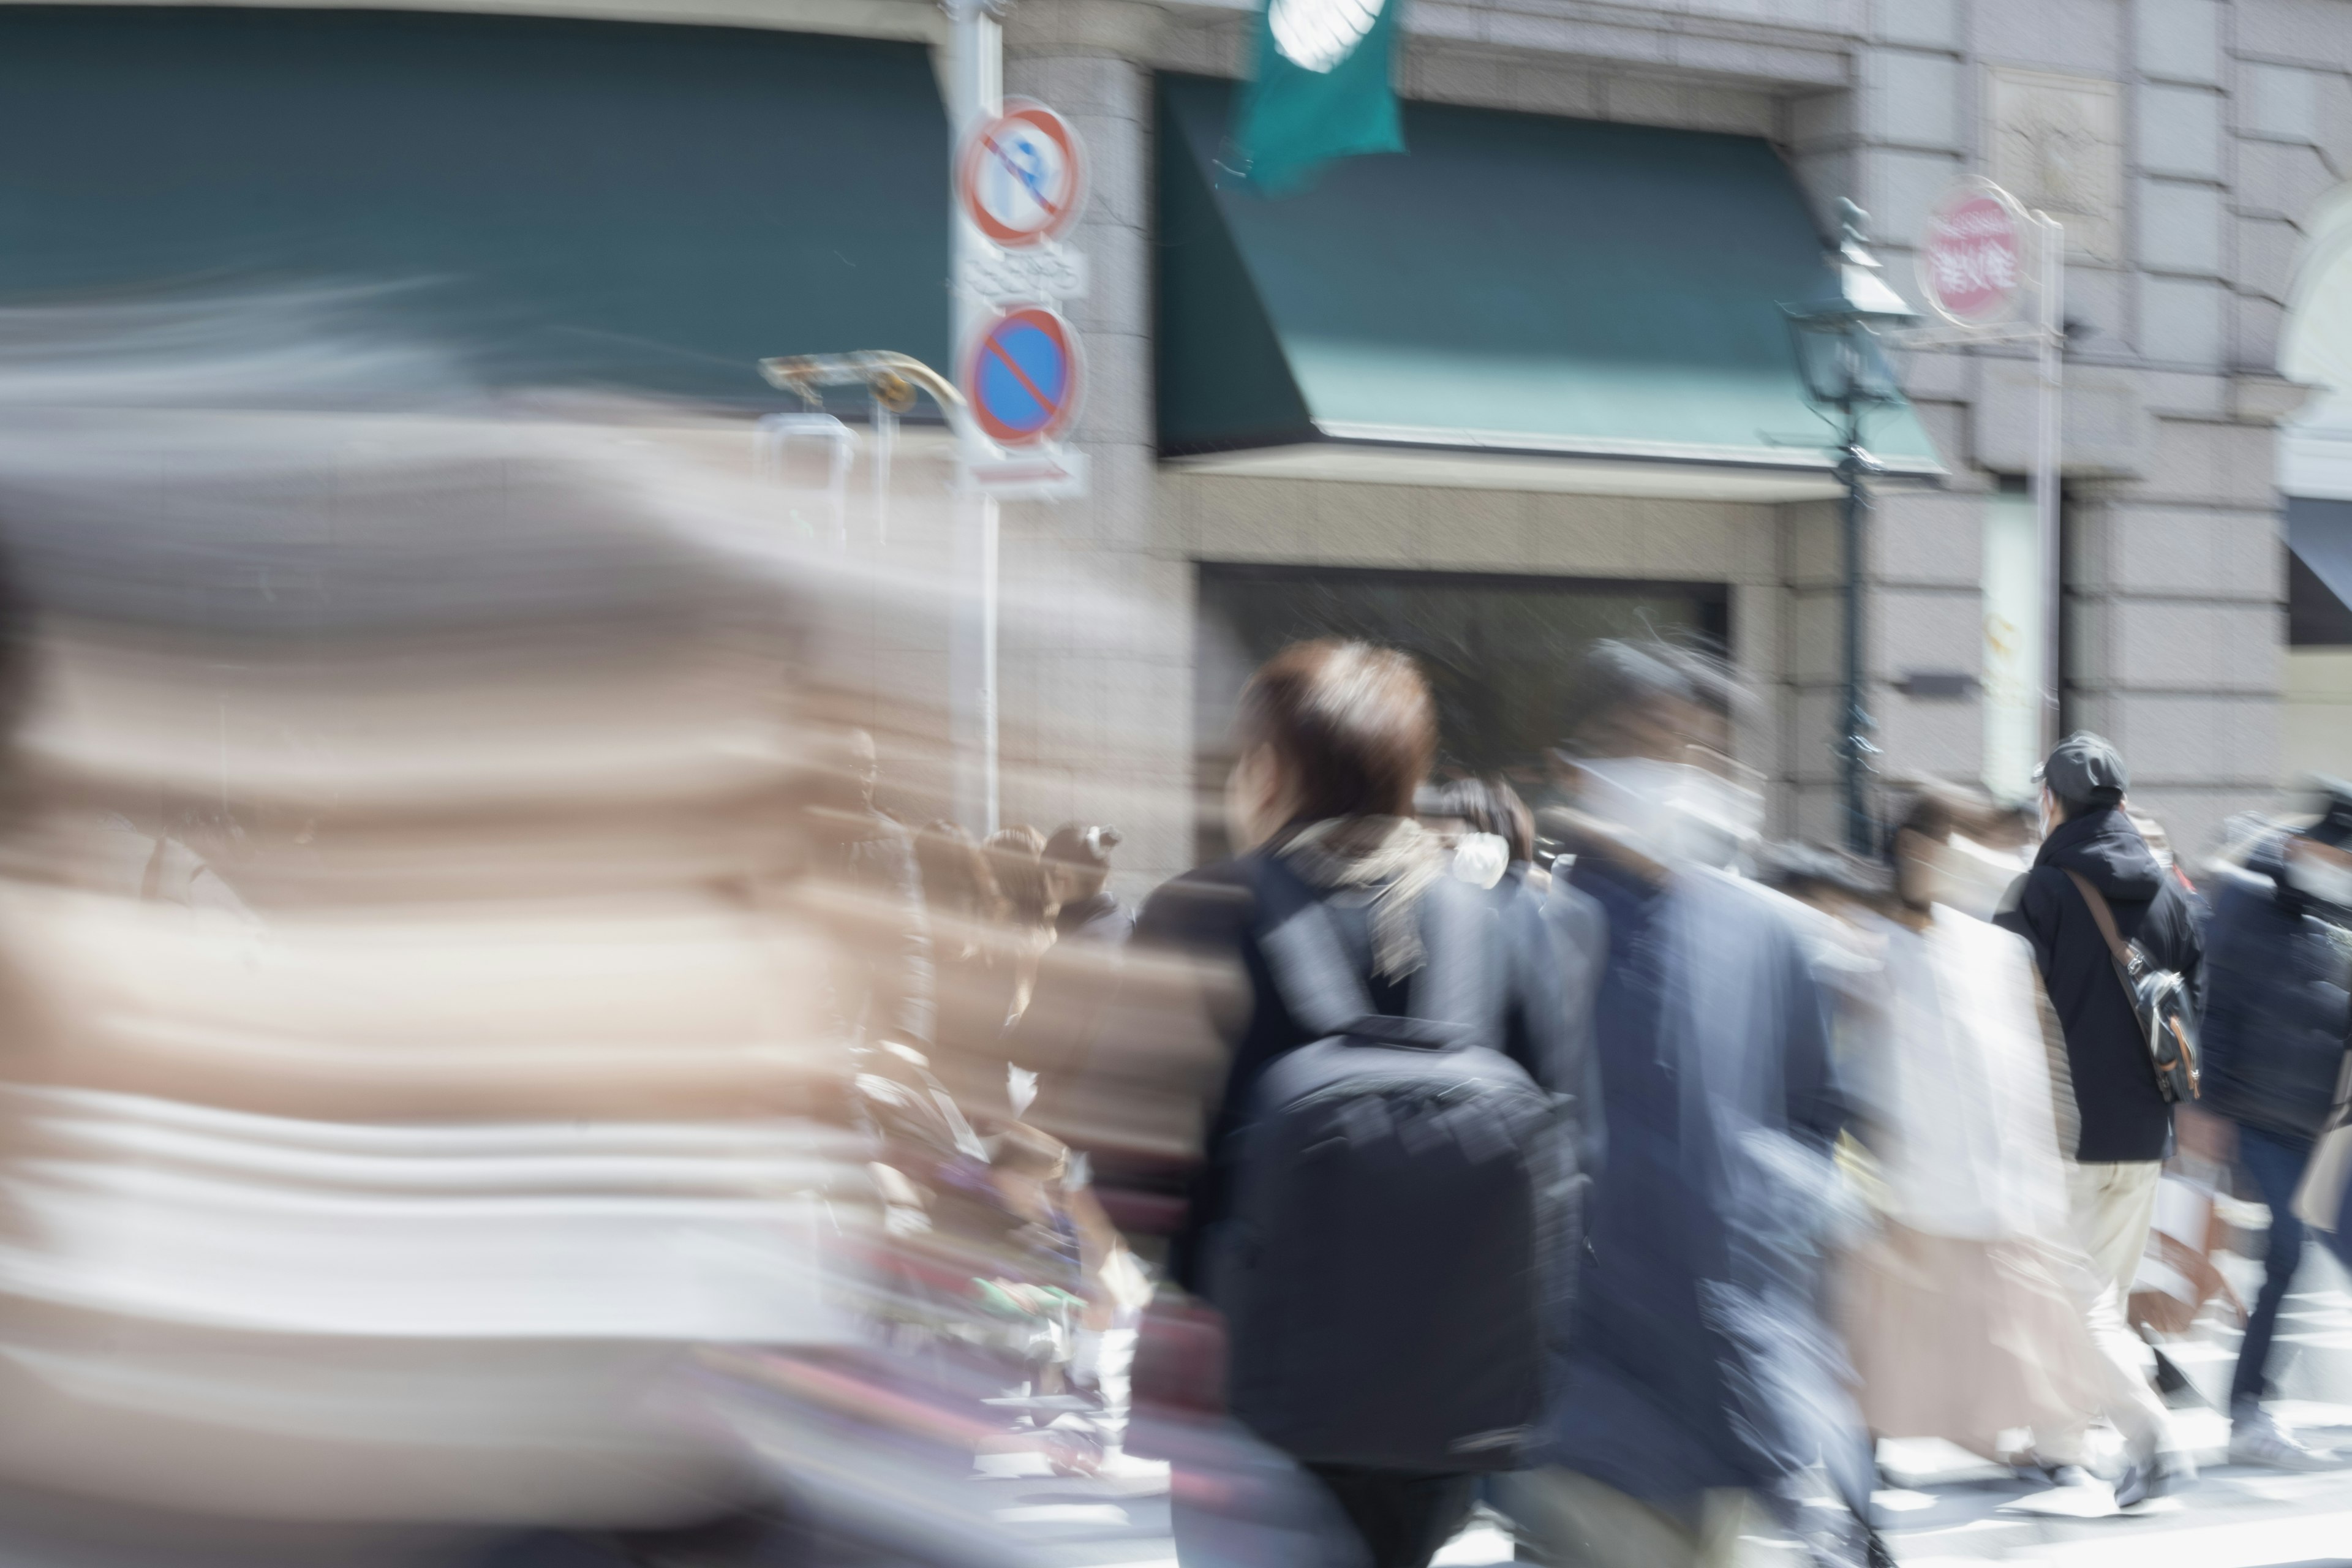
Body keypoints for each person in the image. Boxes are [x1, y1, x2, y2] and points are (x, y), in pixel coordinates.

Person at [1137, 639, 1576, 1568]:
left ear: (1268, 768)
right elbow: (1575, 1150)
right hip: (1449, 1405)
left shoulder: (1200, 911)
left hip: (1245, 1395)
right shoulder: (1503, 920)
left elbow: (1129, 1170)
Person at [1503, 639, 1874, 1568]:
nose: (1679, 773)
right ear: (1573, 765)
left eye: (1705, 752)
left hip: (1745, 1409)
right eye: (1650, 741)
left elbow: (1810, 1128)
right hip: (1582, 1421)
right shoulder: (1525, 934)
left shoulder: (1768, 937)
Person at [1827, 796, 2103, 1469]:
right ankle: (1861, 1459)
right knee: (1892, 1331)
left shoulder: (1995, 950)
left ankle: (2048, 1439)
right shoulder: (1868, 949)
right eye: (1952, 843)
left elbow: (2026, 1066)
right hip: (1909, 1183)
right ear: (1913, 852)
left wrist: (2045, 1161)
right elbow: (1849, 1072)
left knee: (2014, 1320)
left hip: (1997, 1181)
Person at [1994, 730, 2204, 1501]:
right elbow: (2194, 1008)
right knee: (2098, 1302)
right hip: (2146, 1133)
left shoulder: (2038, 895)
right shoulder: (2173, 894)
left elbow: (2001, 1010)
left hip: (2061, 1134)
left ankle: (2153, 1440)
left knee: (2073, 1301)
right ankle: (2059, 1443)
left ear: (2052, 801)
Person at [2192, 780, 2352, 1469]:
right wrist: (2202, 1107)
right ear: (2304, 844)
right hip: (2258, 1116)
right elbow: (2216, 1008)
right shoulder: (2247, 902)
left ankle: (2253, 1409)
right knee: (2284, 1252)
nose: (2344, 870)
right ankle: (2248, 1413)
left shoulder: (2333, 914)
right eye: (2338, 856)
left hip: (2324, 1125)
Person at [1042, 823, 1134, 945]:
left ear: (1062, 873)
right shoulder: (1131, 925)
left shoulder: (1066, 953)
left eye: (1044, 876)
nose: (1044, 884)